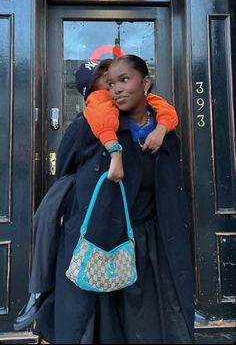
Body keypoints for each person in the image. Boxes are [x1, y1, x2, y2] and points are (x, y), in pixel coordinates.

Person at [31, 54, 194, 344]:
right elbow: (65, 174)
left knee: (153, 323)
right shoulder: (88, 126)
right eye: (110, 84)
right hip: (97, 241)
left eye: (123, 80)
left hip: (146, 244)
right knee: (94, 325)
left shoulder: (167, 134)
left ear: (146, 83)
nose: (115, 89)